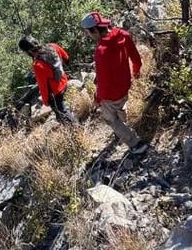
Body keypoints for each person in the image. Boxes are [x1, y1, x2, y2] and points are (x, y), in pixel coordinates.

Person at [81, 11, 149, 155]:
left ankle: (135, 143)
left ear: (94, 30)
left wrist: (97, 99)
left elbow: (103, 83)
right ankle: (122, 119)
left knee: (109, 119)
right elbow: (136, 58)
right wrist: (136, 72)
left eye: (88, 32)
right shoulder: (123, 35)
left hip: (111, 94)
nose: (88, 35)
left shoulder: (101, 51)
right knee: (120, 105)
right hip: (125, 84)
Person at [19, 35, 74, 122]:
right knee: (62, 110)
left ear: (28, 51)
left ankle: (77, 129)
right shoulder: (53, 46)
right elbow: (66, 58)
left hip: (55, 92)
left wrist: (45, 100)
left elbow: (43, 86)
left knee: (62, 113)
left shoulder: (37, 65)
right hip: (64, 81)